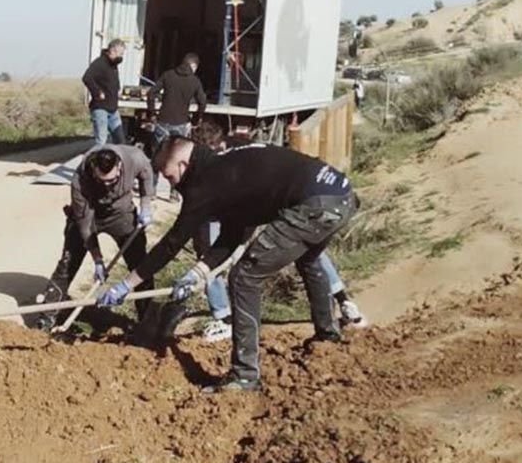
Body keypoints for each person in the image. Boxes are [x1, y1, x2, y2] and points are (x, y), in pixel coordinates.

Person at [98, 138, 358, 393]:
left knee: (244, 277)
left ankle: (244, 376)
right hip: (339, 194)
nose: (173, 186)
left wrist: (126, 284)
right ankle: (328, 336)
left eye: (170, 178)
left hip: (315, 205)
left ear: (183, 166)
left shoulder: (205, 184)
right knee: (309, 258)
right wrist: (197, 273)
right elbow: (233, 234)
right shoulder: (229, 168)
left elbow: (171, 244)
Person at [188, 122, 368, 335]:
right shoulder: (238, 149)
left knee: (242, 271)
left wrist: (215, 256)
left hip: (274, 202)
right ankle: (223, 317)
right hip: (278, 200)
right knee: (310, 254)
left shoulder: (230, 161)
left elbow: (241, 221)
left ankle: (226, 322)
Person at [36, 144, 155, 330]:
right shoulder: (80, 181)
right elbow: (85, 226)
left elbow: (147, 174)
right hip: (89, 216)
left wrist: (146, 204)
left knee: (140, 263)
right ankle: (47, 316)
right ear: (93, 169)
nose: (108, 186)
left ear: (119, 167)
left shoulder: (135, 158)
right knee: (68, 263)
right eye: (103, 181)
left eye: (113, 180)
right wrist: (98, 260)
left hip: (121, 215)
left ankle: (147, 320)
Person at [146, 52, 208, 153]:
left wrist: (152, 113)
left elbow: (151, 93)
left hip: (163, 120)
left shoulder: (168, 75)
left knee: (158, 153)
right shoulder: (195, 81)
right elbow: (203, 102)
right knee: (177, 153)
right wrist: (196, 119)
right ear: (193, 66)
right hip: (181, 122)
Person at [82, 39, 127, 146]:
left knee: (120, 140)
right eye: (120, 53)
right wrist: (97, 92)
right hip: (100, 109)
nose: (121, 57)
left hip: (113, 109)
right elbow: (87, 77)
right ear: (112, 50)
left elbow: (112, 82)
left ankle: (119, 161)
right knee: (101, 141)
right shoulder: (100, 63)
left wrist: (118, 90)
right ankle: (97, 161)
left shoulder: (113, 65)